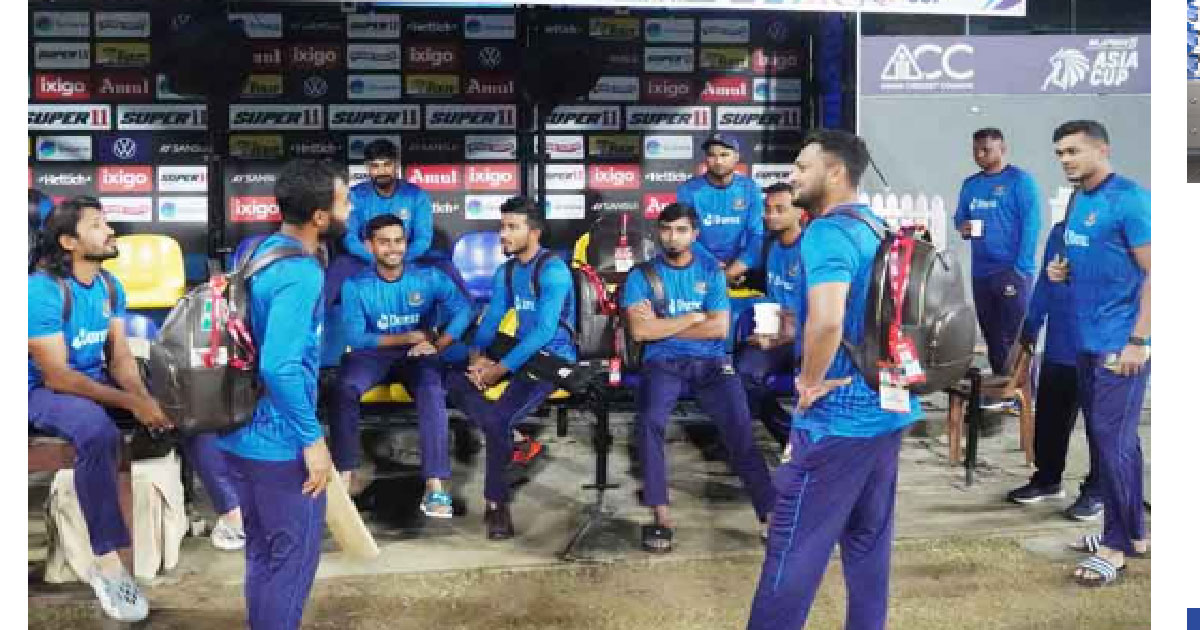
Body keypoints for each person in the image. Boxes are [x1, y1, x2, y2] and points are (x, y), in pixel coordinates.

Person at [747, 130, 921, 630]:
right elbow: (860, 314)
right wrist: (794, 329)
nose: (793, 176)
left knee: (792, 548)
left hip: (837, 420)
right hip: (885, 408)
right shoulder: (875, 225)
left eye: (803, 167)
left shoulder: (825, 232)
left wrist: (808, 382)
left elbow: (828, 321)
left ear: (836, 172)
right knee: (867, 544)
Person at [217, 159, 351, 629]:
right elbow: (278, 365)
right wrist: (312, 440)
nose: (351, 209)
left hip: (238, 432)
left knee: (263, 554)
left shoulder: (261, 252)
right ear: (319, 217)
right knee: (291, 564)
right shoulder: (301, 271)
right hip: (279, 444)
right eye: (344, 201)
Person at [28, 196, 172, 623]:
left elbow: (121, 358)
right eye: (97, 224)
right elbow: (57, 376)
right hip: (37, 390)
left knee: (180, 411)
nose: (110, 231)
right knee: (98, 433)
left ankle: (232, 519)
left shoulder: (110, 285)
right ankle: (107, 566)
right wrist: (130, 402)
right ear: (69, 241)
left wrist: (144, 399)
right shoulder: (40, 291)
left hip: (90, 382)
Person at [621, 202, 776, 553]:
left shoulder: (711, 272)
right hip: (663, 362)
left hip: (712, 363)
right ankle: (661, 516)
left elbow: (718, 328)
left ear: (695, 234)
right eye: (666, 229)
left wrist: (664, 326)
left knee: (740, 429)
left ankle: (769, 514)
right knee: (649, 423)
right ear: (658, 233)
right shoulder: (641, 276)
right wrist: (692, 317)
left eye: (681, 230)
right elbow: (641, 332)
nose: (672, 237)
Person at [1047, 120, 1150, 586]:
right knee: (1116, 441)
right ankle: (1135, 534)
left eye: (1073, 151)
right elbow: (1091, 258)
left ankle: (1115, 547)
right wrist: (1061, 271)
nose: (1065, 160)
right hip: (1086, 341)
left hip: (1119, 345)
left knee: (1112, 443)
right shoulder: (1078, 200)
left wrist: (1139, 341)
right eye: (1060, 153)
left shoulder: (1129, 199)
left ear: (1102, 150)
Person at [444, 197, 577, 540]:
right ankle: (517, 441)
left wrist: (499, 369)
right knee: (450, 377)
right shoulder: (506, 270)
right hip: (518, 350)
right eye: (502, 226)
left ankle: (496, 504)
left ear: (534, 232)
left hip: (551, 359)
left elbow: (544, 332)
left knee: (497, 420)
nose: (502, 234)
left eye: (512, 227)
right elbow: (491, 320)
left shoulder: (553, 271)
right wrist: (477, 358)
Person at [330, 214, 473, 517]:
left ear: (407, 244)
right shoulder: (355, 285)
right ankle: (345, 475)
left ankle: (435, 485)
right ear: (369, 246)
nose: (393, 248)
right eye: (384, 242)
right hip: (373, 355)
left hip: (417, 355)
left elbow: (464, 310)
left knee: (432, 388)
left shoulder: (428, 277)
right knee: (345, 387)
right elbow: (357, 337)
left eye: (398, 241)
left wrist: (438, 344)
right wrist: (407, 336)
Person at [1005, 218, 1102, 521]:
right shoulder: (1060, 233)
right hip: (1061, 343)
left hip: (1100, 346)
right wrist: (1030, 328)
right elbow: (1045, 284)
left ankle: (1098, 490)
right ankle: (1047, 478)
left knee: (1100, 427)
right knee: (1050, 419)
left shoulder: (1116, 234)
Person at [322, 138, 433, 366]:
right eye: (375, 166)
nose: (381, 171)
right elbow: (349, 237)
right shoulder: (356, 195)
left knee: (444, 268)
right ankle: (315, 346)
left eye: (386, 165)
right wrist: (375, 257)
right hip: (366, 258)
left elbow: (423, 239)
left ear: (396, 165)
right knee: (338, 269)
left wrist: (396, 258)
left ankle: (449, 344)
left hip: (404, 257)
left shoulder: (415, 196)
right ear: (367, 168)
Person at [953, 128, 1043, 376]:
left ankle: (1024, 390)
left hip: (1012, 271)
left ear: (1002, 149)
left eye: (986, 150)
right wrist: (963, 227)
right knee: (992, 335)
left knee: (1014, 336)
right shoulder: (971, 185)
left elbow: (1032, 225)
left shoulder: (1020, 182)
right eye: (976, 150)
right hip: (981, 273)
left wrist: (1021, 268)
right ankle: (1001, 387)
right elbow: (960, 218)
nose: (980, 155)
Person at [734, 182, 807, 448]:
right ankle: (789, 438)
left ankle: (812, 446)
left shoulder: (813, 249)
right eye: (767, 209)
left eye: (780, 209)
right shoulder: (765, 245)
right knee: (742, 374)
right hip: (774, 334)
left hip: (810, 337)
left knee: (812, 389)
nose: (770, 215)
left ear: (799, 212)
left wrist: (783, 335)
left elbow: (827, 313)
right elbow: (731, 272)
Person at [675, 133, 765, 286]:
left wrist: (735, 269)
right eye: (712, 155)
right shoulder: (689, 190)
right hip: (701, 268)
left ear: (736, 157)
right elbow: (686, 236)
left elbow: (757, 235)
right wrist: (715, 266)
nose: (718, 161)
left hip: (741, 270)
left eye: (724, 155)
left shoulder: (749, 188)